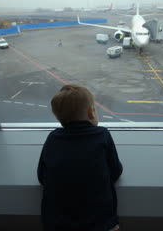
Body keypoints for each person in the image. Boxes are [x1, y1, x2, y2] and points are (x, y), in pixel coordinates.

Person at [37, 84, 123, 231]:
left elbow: (41, 176)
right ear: (91, 112)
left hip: (57, 224)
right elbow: (115, 171)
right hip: (101, 223)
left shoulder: (53, 138)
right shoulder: (102, 135)